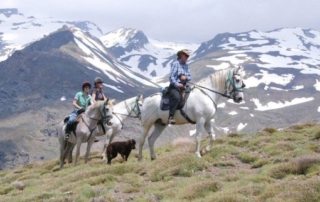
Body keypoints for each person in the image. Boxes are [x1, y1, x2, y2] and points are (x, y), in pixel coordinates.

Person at [168, 49, 192, 125]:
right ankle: (170, 117)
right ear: (181, 55)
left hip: (184, 86)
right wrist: (177, 84)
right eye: (186, 55)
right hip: (175, 86)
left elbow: (190, 77)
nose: (187, 57)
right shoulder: (176, 64)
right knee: (177, 98)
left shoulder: (186, 65)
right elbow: (171, 77)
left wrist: (185, 78)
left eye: (188, 56)